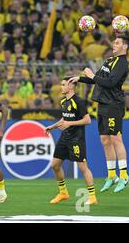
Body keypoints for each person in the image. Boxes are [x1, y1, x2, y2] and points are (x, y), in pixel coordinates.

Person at [69, 36, 129, 193]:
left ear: (125, 47)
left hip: (113, 105)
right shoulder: (110, 60)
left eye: (117, 43)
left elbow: (110, 83)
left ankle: (124, 175)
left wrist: (92, 76)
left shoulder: (122, 63)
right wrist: (81, 78)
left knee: (116, 138)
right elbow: (98, 79)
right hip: (103, 104)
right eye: (114, 42)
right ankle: (111, 175)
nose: (113, 44)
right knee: (105, 140)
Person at [45, 77, 97, 205]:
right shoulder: (64, 101)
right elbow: (64, 119)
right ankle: (63, 193)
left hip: (76, 139)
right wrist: (52, 127)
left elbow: (87, 120)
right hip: (65, 137)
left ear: (71, 86)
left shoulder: (78, 101)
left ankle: (92, 196)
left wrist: (70, 123)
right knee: (55, 165)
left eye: (63, 85)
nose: (61, 87)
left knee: (83, 167)